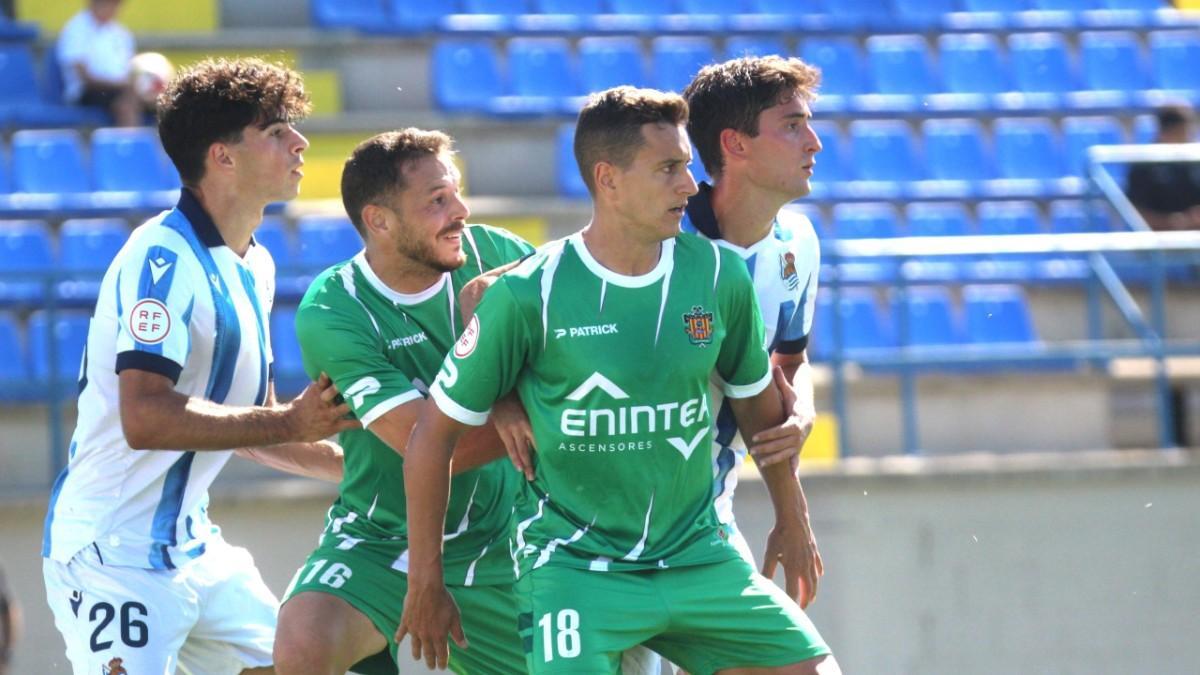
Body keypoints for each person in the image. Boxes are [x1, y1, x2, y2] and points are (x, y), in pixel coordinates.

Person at [400, 86, 839, 674]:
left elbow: (763, 404)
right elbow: (430, 438)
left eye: (686, 166)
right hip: (576, 569)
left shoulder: (719, 274)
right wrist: (425, 581)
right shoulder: (531, 292)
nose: (689, 184)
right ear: (607, 179)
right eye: (668, 169)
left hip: (698, 551)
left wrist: (792, 513)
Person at [41, 57, 358, 675]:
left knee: (304, 664)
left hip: (194, 547)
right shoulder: (159, 258)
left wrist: (370, 475)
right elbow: (146, 418)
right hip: (111, 556)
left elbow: (256, 423)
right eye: (276, 131)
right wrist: (290, 424)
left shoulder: (255, 265)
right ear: (223, 156)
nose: (301, 142)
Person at [272, 129, 533, 675]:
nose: (461, 211)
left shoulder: (500, 255)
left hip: (510, 537)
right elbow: (433, 448)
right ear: (380, 220)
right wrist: (544, 416)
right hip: (382, 538)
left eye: (456, 192)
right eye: (437, 201)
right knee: (304, 639)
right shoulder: (335, 308)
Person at [57, 0, 142, 126]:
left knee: (156, 99)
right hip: (86, 91)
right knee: (125, 104)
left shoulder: (120, 33)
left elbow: (130, 70)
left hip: (120, 89)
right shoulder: (75, 29)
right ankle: (129, 144)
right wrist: (122, 85)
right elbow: (84, 77)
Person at [1125, 103, 1200, 231]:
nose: (1189, 137)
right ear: (1166, 131)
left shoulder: (1194, 160)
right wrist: (1172, 223)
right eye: (1183, 132)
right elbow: (1134, 212)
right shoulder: (1143, 163)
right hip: (1154, 243)